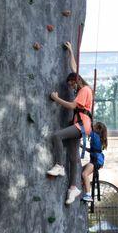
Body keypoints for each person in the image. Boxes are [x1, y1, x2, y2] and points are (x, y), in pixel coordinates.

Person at [47, 42, 93, 205]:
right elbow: (75, 69)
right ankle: (73, 188)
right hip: (80, 125)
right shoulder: (82, 87)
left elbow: (73, 105)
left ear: (76, 82)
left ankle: (59, 165)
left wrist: (56, 98)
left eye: (72, 84)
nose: (72, 88)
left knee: (57, 136)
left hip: (82, 125)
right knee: (74, 157)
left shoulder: (85, 90)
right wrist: (72, 51)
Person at [81, 122, 108, 202]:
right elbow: (93, 150)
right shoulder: (98, 138)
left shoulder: (95, 136)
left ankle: (88, 195)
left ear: (98, 129)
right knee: (81, 170)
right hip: (97, 161)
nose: (93, 127)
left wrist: (85, 122)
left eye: (95, 126)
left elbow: (87, 130)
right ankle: (83, 187)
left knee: (84, 174)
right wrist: (82, 146)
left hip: (95, 161)